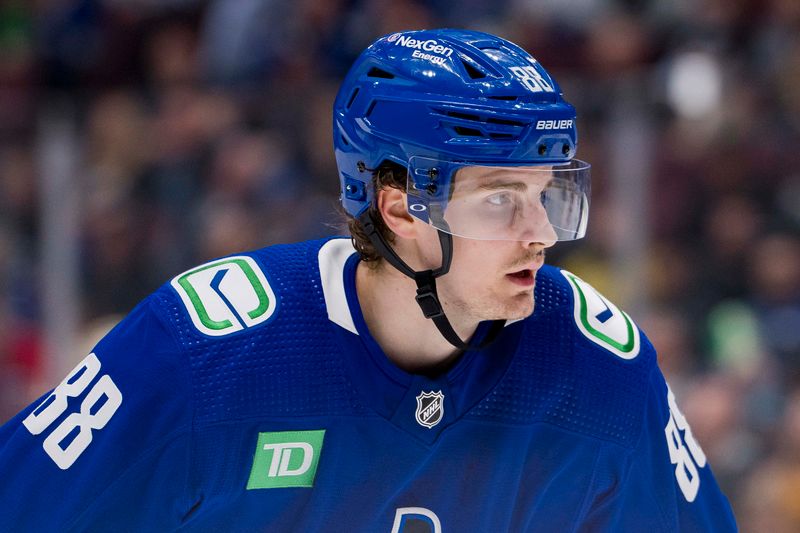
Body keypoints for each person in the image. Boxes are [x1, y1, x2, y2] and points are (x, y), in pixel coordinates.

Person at [0, 29, 736, 531]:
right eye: (502, 199)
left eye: (545, 194)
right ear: (398, 206)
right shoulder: (203, 353)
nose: (539, 230)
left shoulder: (600, 371)